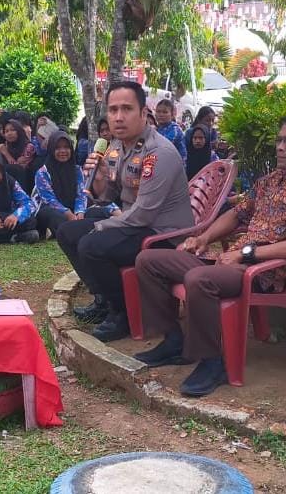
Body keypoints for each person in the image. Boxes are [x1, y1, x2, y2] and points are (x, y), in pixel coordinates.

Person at [133, 111, 286, 397]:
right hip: (230, 260)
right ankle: (174, 341)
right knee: (149, 260)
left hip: (263, 272)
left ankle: (213, 362)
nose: (280, 147)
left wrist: (246, 254)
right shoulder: (270, 181)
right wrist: (202, 238)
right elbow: (236, 215)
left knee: (198, 279)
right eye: (279, 140)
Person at [56, 81, 194, 342]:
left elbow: (143, 215)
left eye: (127, 109)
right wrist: (96, 178)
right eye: (113, 109)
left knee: (92, 244)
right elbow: (106, 195)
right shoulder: (117, 147)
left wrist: (103, 225)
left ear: (144, 113)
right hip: (137, 225)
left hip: (162, 233)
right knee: (67, 232)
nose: (118, 117)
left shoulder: (158, 153)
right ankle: (104, 299)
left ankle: (124, 314)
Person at [33, 131, 86, 239]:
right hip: (49, 209)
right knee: (56, 217)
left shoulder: (77, 170)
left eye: (66, 147)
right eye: (57, 148)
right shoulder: (43, 172)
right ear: (52, 150)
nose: (63, 151)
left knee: (93, 211)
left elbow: (81, 194)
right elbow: (49, 200)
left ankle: (60, 230)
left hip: (71, 207)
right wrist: (67, 213)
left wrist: (80, 212)